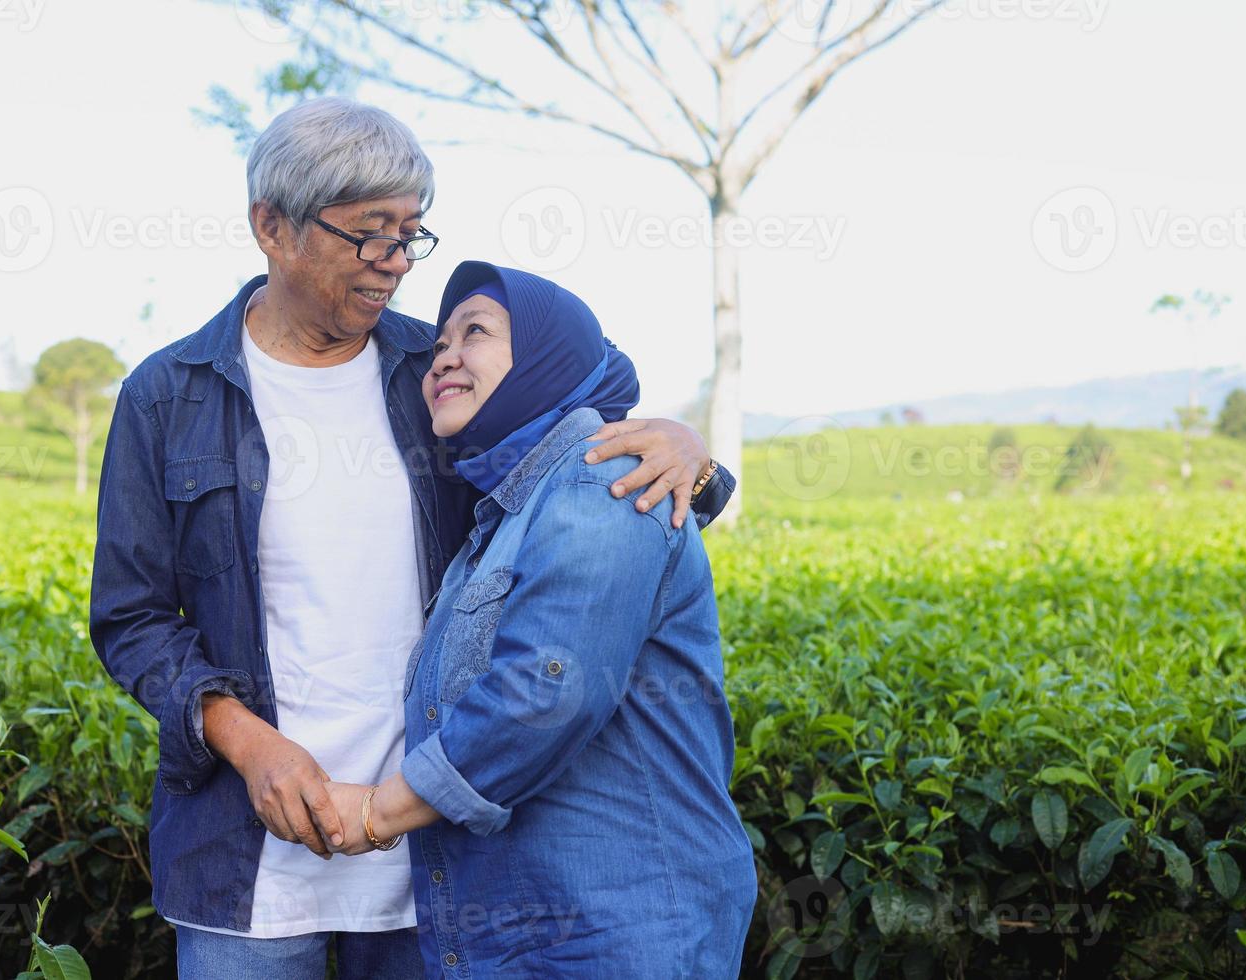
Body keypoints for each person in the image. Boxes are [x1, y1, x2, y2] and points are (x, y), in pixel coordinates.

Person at [88, 98, 734, 980]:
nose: (394, 265)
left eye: (410, 235)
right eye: (368, 235)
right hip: (246, 860)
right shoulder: (166, 398)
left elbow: (569, 446)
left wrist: (695, 459)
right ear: (271, 228)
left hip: (439, 861)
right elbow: (130, 620)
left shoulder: (427, 370)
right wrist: (251, 745)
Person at [322, 261, 757, 978]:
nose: (447, 356)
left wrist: (375, 813)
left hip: (620, 933)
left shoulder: (601, 482)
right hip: (546, 932)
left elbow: (544, 691)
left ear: (550, 356)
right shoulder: (503, 515)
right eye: (439, 346)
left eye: (478, 332)